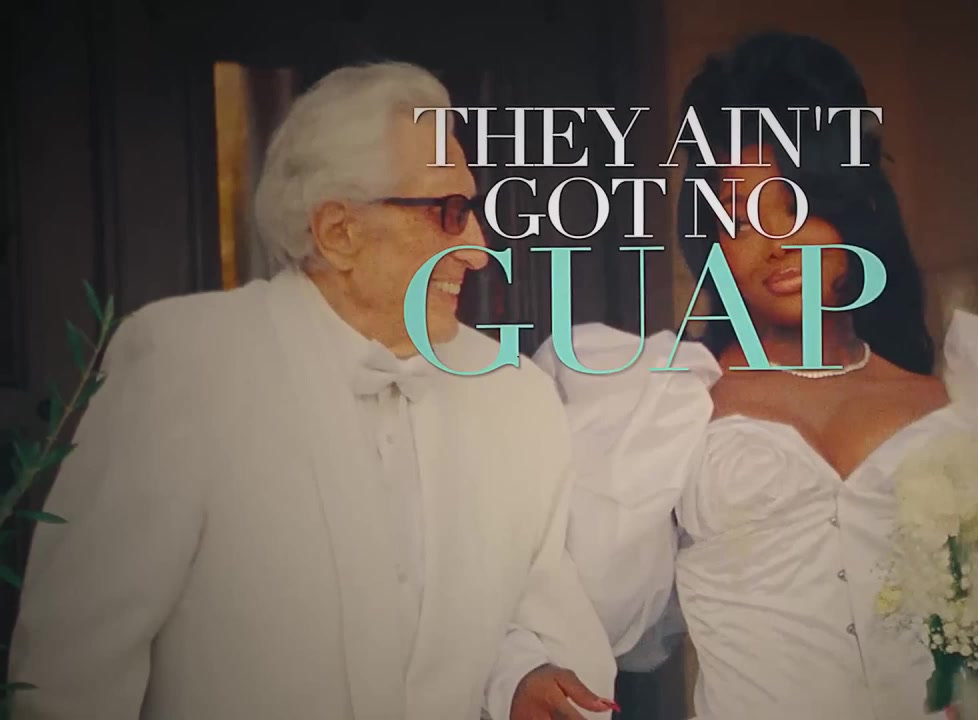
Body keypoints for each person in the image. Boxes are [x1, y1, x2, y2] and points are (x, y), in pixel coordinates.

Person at [531, 33, 978, 720]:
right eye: (740, 218)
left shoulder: (970, 396)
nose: (777, 242)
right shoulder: (665, 401)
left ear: (853, 208)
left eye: (798, 206)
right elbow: (566, 590)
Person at [8, 62, 617, 720]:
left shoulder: (514, 396)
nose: (478, 247)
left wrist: (519, 679)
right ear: (338, 232)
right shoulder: (184, 368)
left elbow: (533, 615)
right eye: (448, 213)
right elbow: (70, 677)